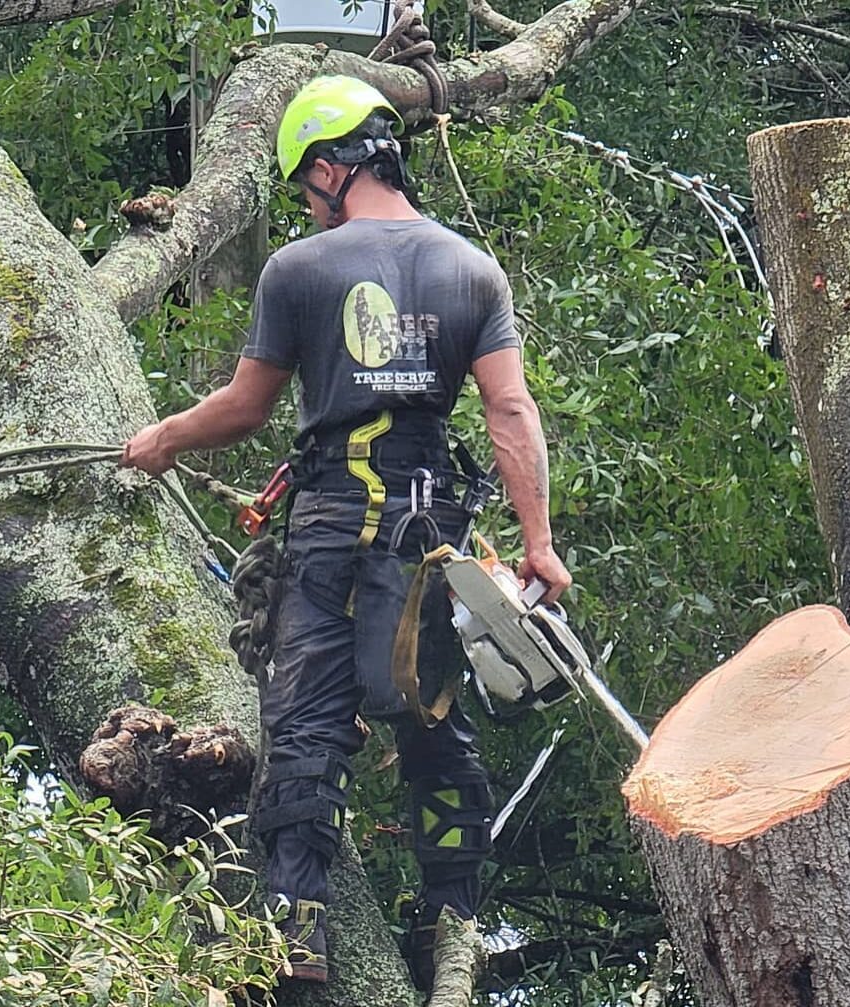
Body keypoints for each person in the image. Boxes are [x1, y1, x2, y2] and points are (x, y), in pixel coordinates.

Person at [121, 75, 572, 989]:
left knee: (304, 727)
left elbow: (247, 407)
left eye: (305, 187)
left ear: (330, 168)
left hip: (330, 528)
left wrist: (161, 440)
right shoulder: (470, 270)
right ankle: (456, 912)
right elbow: (509, 410)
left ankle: (299, 937)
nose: (308, 205)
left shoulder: (301, 269)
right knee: (433, 715)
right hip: (430, 534)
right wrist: (539, 543)